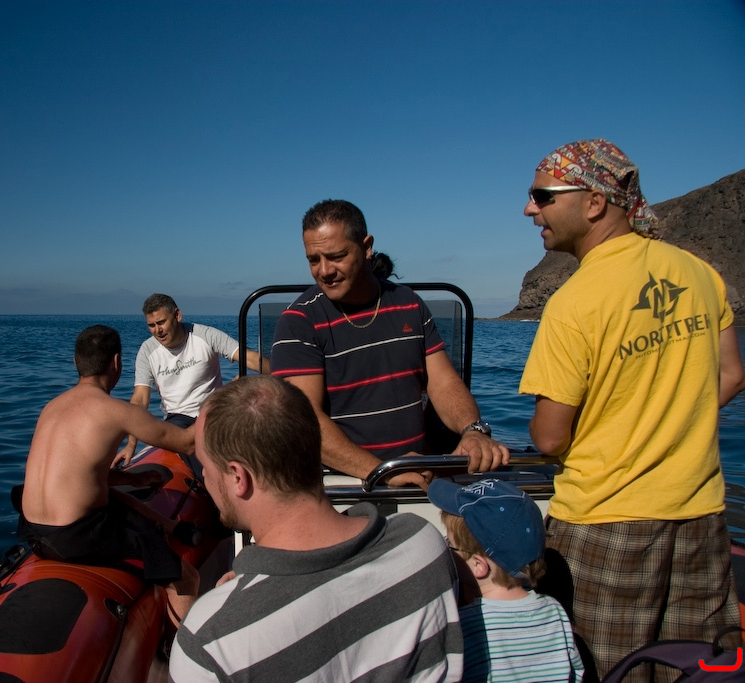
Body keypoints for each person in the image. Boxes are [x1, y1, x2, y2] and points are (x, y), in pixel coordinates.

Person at [518, 139, 745, 681]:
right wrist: (674, 420)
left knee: (606, 669)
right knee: (694, 667)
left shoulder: (575, 302)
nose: (530, 209)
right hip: (701, 514)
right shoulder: (699, 272)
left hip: (607, 523)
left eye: (543, 196)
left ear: (594, 202)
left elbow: (549, 438)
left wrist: (621, 428)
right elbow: (732, 375)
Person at [168, 375, 463, 682]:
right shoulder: (422, 544)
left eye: (205, 465)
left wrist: (228, 605)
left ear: (237, 477)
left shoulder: (210, 642)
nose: (204, 475)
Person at [270, 199, 509, 486]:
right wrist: (382, 471)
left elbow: (442, 382)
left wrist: (472, 430)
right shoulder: (299, 321)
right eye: (313, 260)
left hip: (418, 477)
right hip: (343, 485)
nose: (324, 270)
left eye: (336, 256)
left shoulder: (409, 303)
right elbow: (303, 420)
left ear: (367, 247)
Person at [17, 325, 200, 619]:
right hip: (73, 537)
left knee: (113, 497)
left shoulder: (51, 407)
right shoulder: (116, 411)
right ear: (117, 362)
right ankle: (188, 645)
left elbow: (79, 475)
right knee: (186, 578)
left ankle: (169, 526)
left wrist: (133, 479)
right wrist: (219, 403)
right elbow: (188, 443)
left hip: (32, 530)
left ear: (76, 362)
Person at [428, 477, 584, 682]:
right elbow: (576, 673)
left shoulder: (464, 624)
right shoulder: (555, 612)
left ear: (478, 566)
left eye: (449, 543)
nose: (447, 550)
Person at [115, 293, 268, 469]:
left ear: (177, 315)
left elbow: (250, 358)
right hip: (177, 419)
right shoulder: (147, 350)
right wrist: (131, 444)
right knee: (191, 445)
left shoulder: (205, 335)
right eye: (152, 325)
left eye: (162, 322)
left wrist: (282, 373)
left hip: (213, 413)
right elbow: (140, 399)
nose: (158, 330)